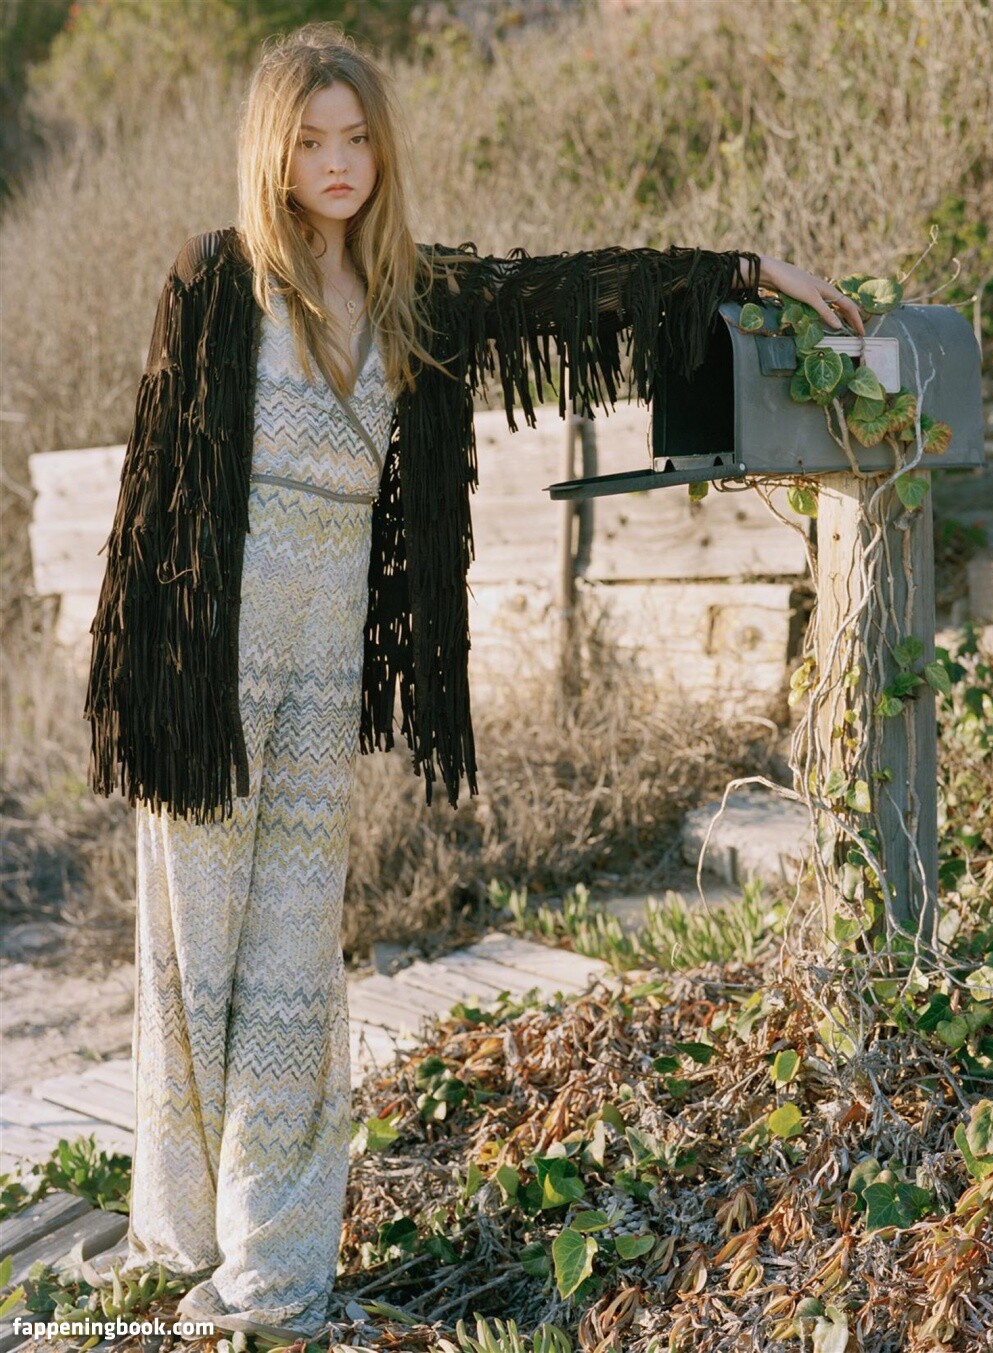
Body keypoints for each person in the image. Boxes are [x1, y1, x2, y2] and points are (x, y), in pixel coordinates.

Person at [84, 21, 864, 1342]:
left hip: (320, 678)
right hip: (205, 681)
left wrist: (743, 270)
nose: (338, 162)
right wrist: (148, 701)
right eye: (311, 141)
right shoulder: (217, 280)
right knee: (189, 965)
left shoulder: (413, 295)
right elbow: (150, 498)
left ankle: (274, 1272)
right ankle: (182, 1237)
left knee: (291, 978)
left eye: (357, 137)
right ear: (271, 152)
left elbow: (573, 295)